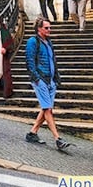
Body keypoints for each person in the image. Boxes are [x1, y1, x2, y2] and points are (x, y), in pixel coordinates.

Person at [25, 18, 71, 150]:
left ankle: (32, 133)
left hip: (50, 80)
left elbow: (53, 61)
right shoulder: (33, 42)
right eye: (46, 28)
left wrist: (56, 78)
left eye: (50, 27)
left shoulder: (49, 42)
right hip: (41, 79)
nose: (49, 30)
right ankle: (57, 138)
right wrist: (36, 78)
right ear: (39, 29)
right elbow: (29, 61)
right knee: (48, 109)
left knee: (46, 108)